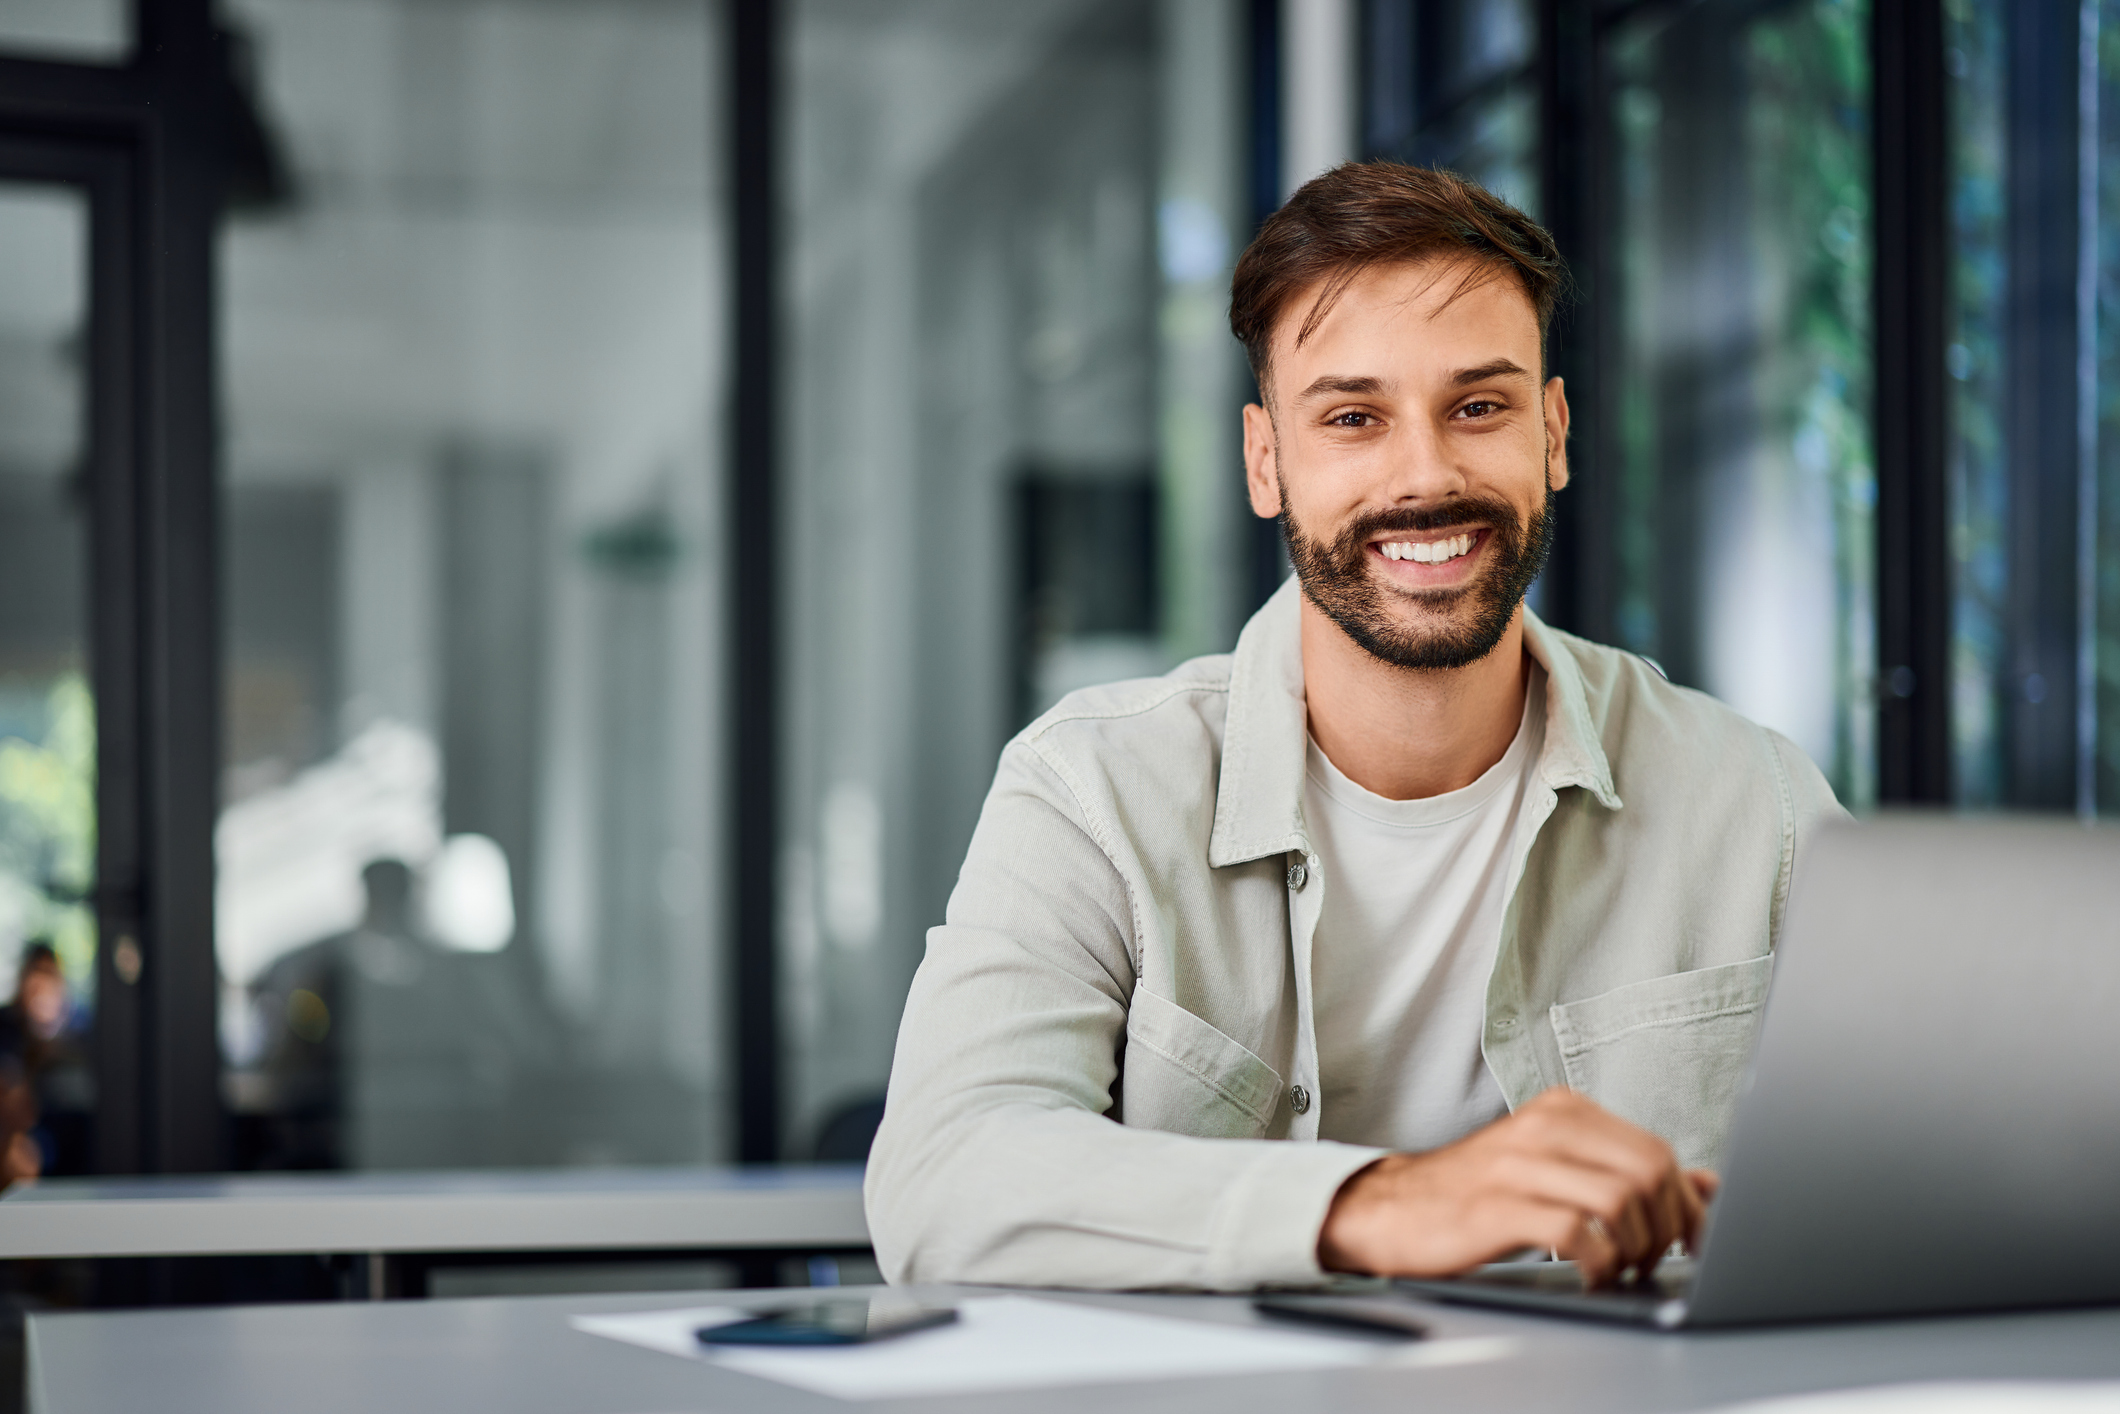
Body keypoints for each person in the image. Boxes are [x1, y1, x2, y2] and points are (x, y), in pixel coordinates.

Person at [865, 162, 1844, 1291]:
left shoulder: (1751, 798)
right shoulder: (1092, 789)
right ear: (1264, 460)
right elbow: (942, 1178)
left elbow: (1912, 1166)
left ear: (1554, 434)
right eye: (1351, 418)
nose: (1423, 475)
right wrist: (1373, 1204)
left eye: (1478, 406)